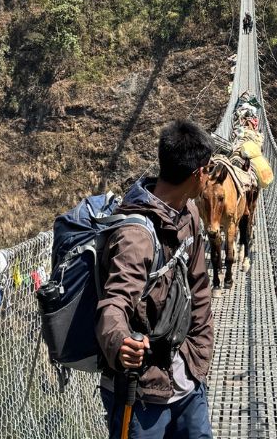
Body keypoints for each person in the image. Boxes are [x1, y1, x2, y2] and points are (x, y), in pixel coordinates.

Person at [96, 120, 215, 439]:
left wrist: (199, 356)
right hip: (143, 394)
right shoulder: (136, 238)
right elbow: (113, 304)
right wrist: (121, 342)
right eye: (210, 170)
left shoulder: (190, 213)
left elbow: (199, 287)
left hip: (188, 380)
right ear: (199, 174)